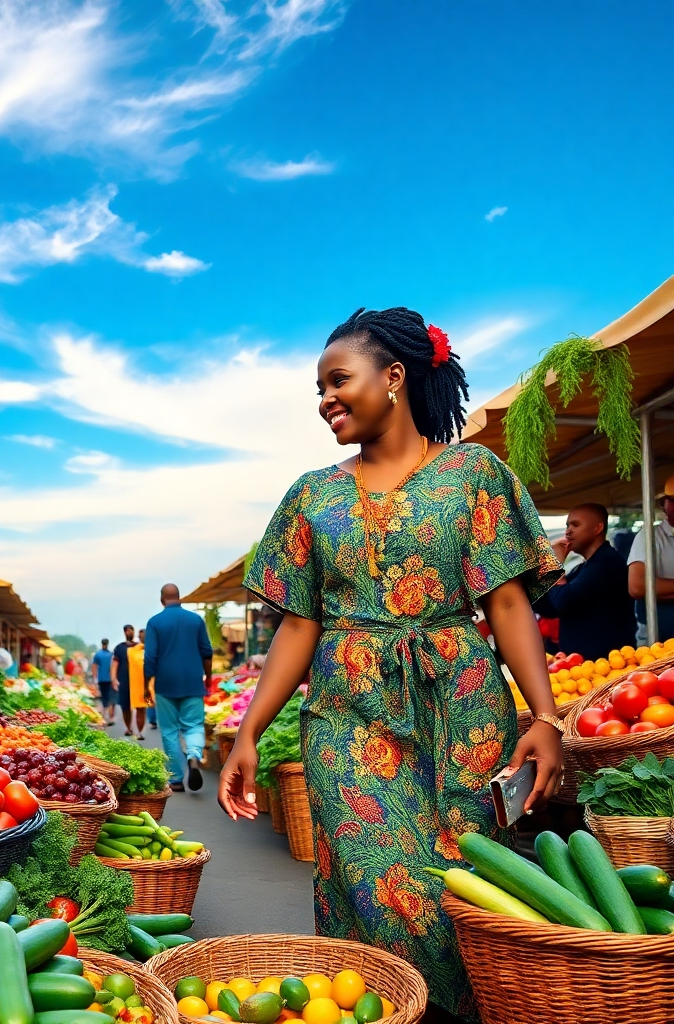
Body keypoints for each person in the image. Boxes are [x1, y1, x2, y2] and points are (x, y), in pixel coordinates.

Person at [217, 307, 563, 1024]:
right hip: (347, 713)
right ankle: (387, 1008)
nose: (326, 400)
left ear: (395, 377)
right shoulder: (311, 496)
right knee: (372, 877)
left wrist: (547, 717)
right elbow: (299, 624)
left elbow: (506, 603)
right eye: (319, 389)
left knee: (465, 881)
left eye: (338, 381)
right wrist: (249, 731)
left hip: (463, 709)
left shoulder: (474, 474)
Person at [533, 504, 636, 661]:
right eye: (567, 526)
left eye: (575, 525)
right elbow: (550, 607)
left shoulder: (606, 563)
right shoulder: (586, 566)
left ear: (597, 528)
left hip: (608, 664)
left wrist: (555, 566)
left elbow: (563, 601)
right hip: (585, 665)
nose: (568, 531)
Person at [144, 584, 212, 793]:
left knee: (170, 731)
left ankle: (176, 778)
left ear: (162, 599)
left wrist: (147, 686)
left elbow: (150, 657)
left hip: (165, 684)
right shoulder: (195, 620)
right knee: (194, 725)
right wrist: (208, 678)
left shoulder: (155, 622)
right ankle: (194, 755)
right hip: (192, 682)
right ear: (179, 597)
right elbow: (207, 652)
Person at [628, 475, 674, 644]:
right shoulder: (649, 536)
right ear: (664, 504)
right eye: (673, 501)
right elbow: (637, 587)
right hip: (659, 636)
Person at [112, 624, 137, 736]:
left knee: (139, 705)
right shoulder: (119, 648)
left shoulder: (139, 647)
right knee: (125, 705)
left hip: (137, 680)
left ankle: (136, 726)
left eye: (131, 630)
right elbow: (115, 664)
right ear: (124, 633)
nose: (129, 632)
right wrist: (114, 679)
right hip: (124, 680)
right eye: (127, 630)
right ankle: (128, 727)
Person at [127, 628, 149, 740]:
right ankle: (139, 731)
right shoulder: (132, 651)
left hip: (151, 685)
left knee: (145, 709)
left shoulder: (154, 649)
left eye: (144, 635)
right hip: (137, 685)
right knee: (140, 708)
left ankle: (142, 729)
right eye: (141, 636)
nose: (142, 637)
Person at [91, 639, 116, 724]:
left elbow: (94, 666)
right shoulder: (110, 654)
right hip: (108, 679)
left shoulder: (98, 654)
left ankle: (106, 715)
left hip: (103, 679)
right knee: (108, 697)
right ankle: (109, 716)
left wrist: (95, 677)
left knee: (105, 696)